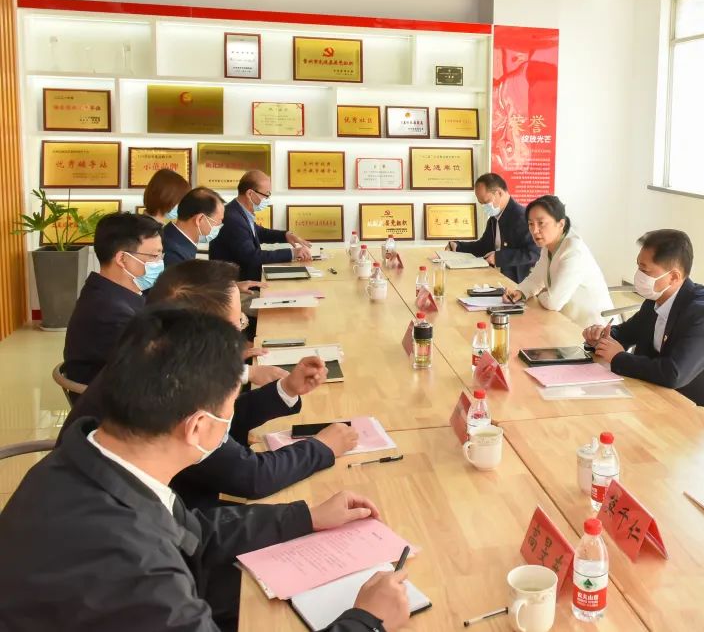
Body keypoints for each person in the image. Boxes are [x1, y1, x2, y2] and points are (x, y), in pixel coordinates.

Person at [0, 307, 410, 631]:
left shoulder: (89, 458)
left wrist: (305, 517)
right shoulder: (138, 572)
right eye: (231, 406)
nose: (233, 420)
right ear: (197, 426)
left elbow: (192, 531)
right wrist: (367, 621)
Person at [60, 260, 359, 509]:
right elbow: (251, 476)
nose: (240, 332)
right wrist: (322, 448)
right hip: (181, 521)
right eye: (238, 323)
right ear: (206, 333)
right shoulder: (169, 387)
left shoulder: (156, 357)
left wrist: (286, 390)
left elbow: (218, 426)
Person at [585, 230, 704, 432]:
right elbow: (626, 333)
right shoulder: (656, 300)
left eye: (645, 270)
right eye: (638, 266)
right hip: (662, 402)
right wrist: (601, 338)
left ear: (673, 277)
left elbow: (673, 373)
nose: (638, 275)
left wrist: (618, 357)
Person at [62, 212, 163, 386]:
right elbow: (154, 371)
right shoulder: (111, 313)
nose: (160, 262)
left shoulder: (106, 291)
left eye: (161, 255)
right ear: (122, 259)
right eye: (154, 256)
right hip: (115, 399)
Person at [504, 195, 612, 327]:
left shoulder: (573, 251)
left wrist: (541, 294)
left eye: (541, 223)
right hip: (565, 319)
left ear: (561, 224)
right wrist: (521, 292)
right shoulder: (549, 246)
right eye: (531, 224)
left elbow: (553, 302)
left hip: (592, 327)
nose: (535, 230)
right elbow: (536, 279)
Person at [210, 170, 313, 282]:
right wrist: (293, 253)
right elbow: (252, 257)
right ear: (250, 194)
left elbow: (258, 232)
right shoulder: (233, 219)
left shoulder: (238, 210)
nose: (267, 199)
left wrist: (285, 235)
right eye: (266, 194)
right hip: (238, 284)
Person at [447, 173, 539, 282]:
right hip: (495, 277)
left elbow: (534, 252)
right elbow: (484, 246)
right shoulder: (494, 218)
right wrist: (458, 246)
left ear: (499, 193)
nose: (484, 207)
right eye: (481, 203)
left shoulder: (522, 217)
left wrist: (499, 257)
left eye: (486, 202)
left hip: (516, 282)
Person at [163, 186, 225, 266]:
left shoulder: (170, 236)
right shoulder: (174, 255)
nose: (220, 225)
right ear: (199, 219)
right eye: (219, 221)